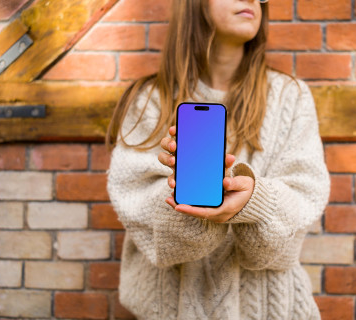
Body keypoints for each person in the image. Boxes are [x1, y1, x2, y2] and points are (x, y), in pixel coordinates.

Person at [105, 0, 330, 319]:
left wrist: (256, 200)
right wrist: (188, 200)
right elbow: (146, 224)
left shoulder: (290, 97)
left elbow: (298, 211)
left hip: (272, 311)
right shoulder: (149, 101)